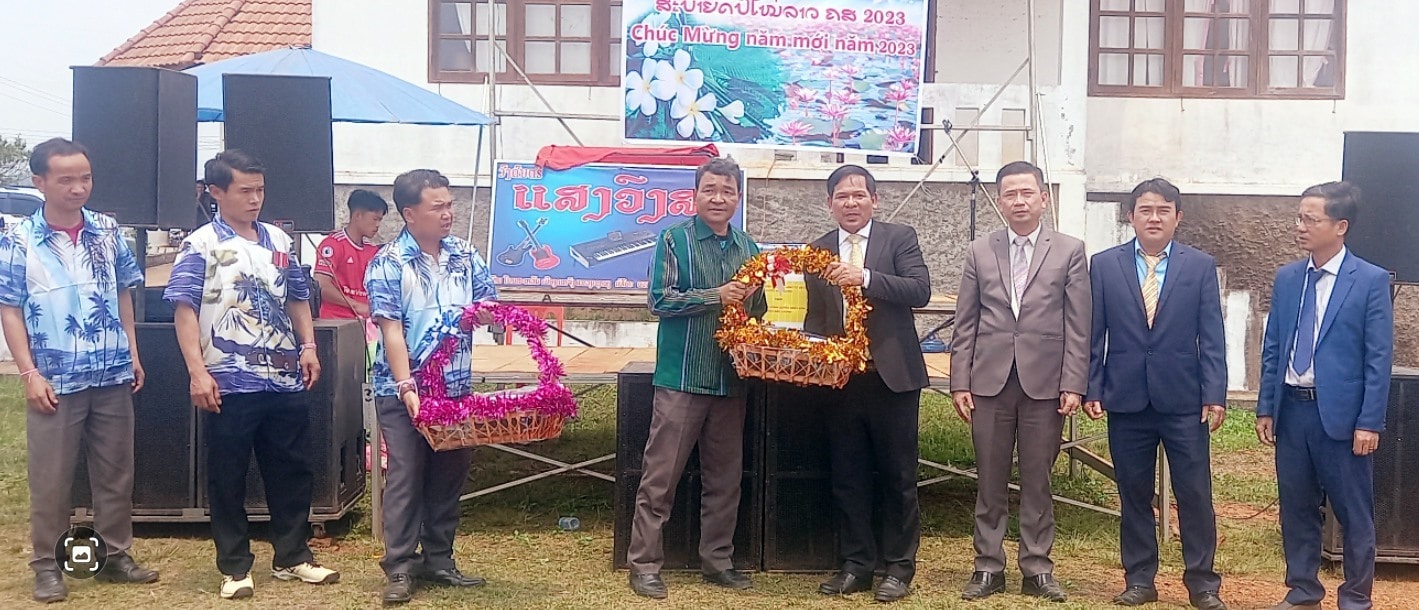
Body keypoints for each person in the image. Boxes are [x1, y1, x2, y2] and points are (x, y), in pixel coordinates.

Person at [164, 150, 338, 600]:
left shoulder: (280, 240)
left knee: (292, 467)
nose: (255, 198)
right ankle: (235, 565)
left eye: (260, 189)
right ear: (215, 192)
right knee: (228, 472)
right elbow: (184, 310)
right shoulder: (199, 244)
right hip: (227, 376)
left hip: (282, 373)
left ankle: (293, 555)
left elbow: (298, 297)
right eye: (245, 190)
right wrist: (197, 371)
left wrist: (309, 346)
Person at [0, 138, 158, 603]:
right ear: (40, 182)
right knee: (52, 478)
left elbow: (126, 291)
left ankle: (114, 555)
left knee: (116, 472)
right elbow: (9, 309)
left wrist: (131, 350)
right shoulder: (17, 238)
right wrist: (28, 373)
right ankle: (47, 564)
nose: (77, 188)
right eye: (66, 179)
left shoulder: (108, 230)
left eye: (84, 177)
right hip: (54, 377)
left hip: (110, 371)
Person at [1082, 179, 1228, 610]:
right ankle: (1140, 579)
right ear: (1131, 216)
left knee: (1194, 493)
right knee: (1133, 493)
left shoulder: (1199, 266)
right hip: (1125, 397)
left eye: (1163, 210)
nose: (1154, 218)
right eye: (1145, 210)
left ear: (1178, 217)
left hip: (1184, 399)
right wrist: (1093, 385)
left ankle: (1202, 583)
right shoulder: (1104, 265)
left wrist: (1214, 393)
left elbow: (1212, 336)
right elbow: (1095, 333)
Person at [950, 160, 1089, 603]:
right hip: (989, 380)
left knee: (1037, 480)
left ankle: (1037, 567)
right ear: (1000, 200)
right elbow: (965, 321)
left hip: (1044, 383)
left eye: (1027, 193)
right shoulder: (980, 251)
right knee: (989, 480)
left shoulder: (1069, 250)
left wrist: (1074, 382)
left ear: (1043, 197)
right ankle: (987, 566)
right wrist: (959, 381)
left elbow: (1078, 324)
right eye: (1010, 194)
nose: (1019, 201)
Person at [627, 157, 765, 599]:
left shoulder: (750, 248)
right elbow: (659, 300)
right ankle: (644, 564)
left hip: (730, 379)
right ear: (696, 194)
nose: (719, 198)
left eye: (727, 191)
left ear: (738, 197)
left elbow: (759, 312)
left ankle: (717, 560)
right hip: (682, 377)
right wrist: (716, 296)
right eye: (710, 190)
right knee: (660, 477)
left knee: (725, 478)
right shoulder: (674, 239)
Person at [1256, 181, 1392, 610]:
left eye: (1310, 219)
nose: (1301, 226)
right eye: (1299, 217)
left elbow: (1378, 356)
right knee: (1296, 507)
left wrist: (1370, 421)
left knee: (1353, 514)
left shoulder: (1368, 280)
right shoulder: (1288, 277)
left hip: (1343, 417)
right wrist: (1265, 407)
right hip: (1293, 412)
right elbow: (1274, 345)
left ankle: (1355, 597)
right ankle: (1303, 590)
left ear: (1341, 226)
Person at [365, 169, 497, 605]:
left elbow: (489, 303)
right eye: (437, 206)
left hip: (455, 387)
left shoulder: (463, 253)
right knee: (406, 474)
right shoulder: (388, 263)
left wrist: (487, 315)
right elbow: (391, 331)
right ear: (409, 213)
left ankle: (440, 558)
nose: (448, 214)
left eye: (450, 204)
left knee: (449, 474)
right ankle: (400, 567)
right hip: (403, 387)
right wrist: (407, 388)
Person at [803, 164, 931, 603]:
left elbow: (920, 290)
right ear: (829, 204)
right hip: (841, 381)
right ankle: (856, 564)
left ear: (875, 200)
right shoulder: (817, 251)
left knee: (898, 475)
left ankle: (898, 567)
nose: (851, 203)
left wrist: (867, 279)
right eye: (842, 196)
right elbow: (816, 319)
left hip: (892, 378)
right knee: (848, 475)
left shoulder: (899, 238)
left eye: (859, 195)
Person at [316, 189, 387, 320]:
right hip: (336, 321)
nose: (378, 225)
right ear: (358, 215)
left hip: (367, 324)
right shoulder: (333, 244)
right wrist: (356, 305)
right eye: (375, 219)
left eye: (380, 220)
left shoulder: (373, 251)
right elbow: (321, 285)